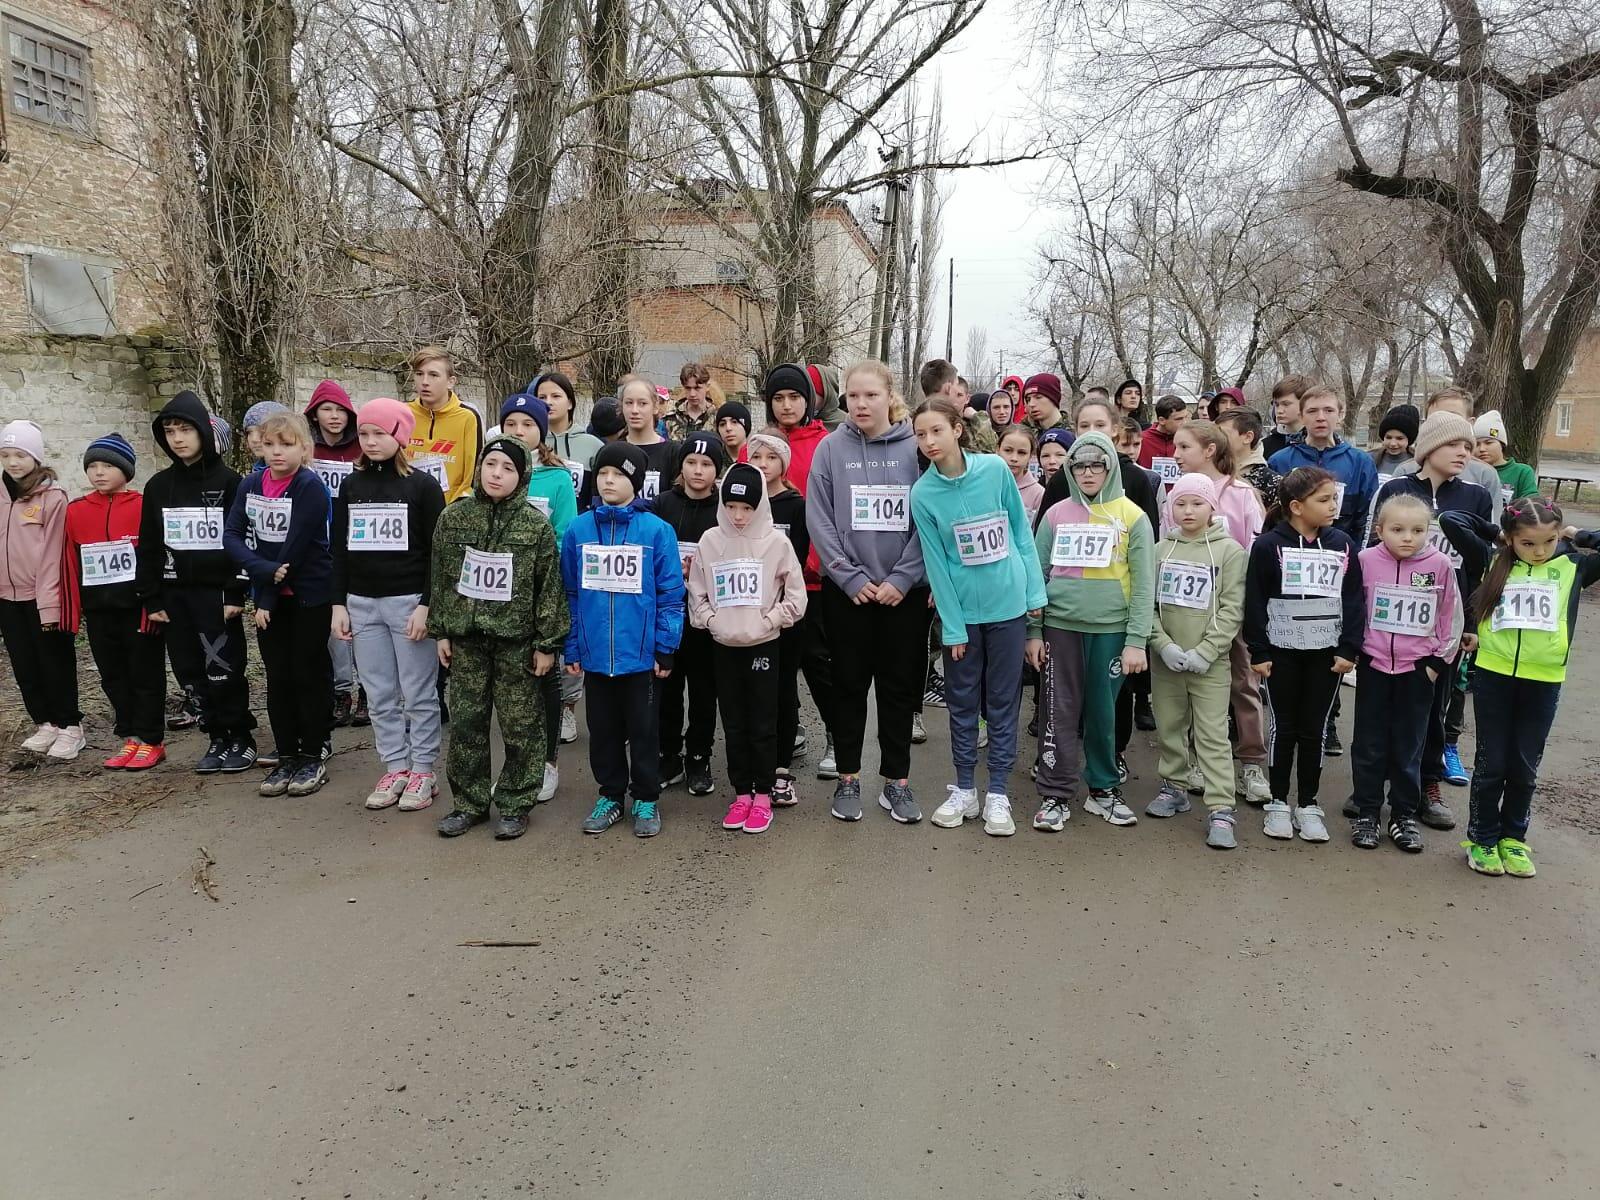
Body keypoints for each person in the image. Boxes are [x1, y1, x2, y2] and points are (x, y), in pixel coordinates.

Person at [1440, 497, 1600, 877]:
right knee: (1492, 762)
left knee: (1525, 766)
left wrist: (1579, 534)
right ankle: (1482, 838)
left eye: (1548, 541)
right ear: (1512, 539)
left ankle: (1513, 838)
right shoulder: (1491, 561)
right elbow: (1451, 517)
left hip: (1544, 679)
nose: (1539, 551)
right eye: (1528, 543)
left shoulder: (1573, 566)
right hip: (1495, 675)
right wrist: (1498, 533)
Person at [912, 398, 1046, 837]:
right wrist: (951, 625)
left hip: (1008, 609)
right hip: (963, 619)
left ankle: (999, 794)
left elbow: (1021, 536)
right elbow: (937, 565)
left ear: (957, 429)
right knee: (963, 704)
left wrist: (1033, 596)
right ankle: (965, 789)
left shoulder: (993, 471)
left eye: (937, 430)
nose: (929, 441)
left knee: (1004, 702)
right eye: (920, 433)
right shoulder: (924, 494)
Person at [806, 359, 929, 825]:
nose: (860, 404)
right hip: (848, 593)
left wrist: (902, 579)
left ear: (889, 395)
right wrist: (850, 578)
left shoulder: (914, 448)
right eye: (853, 396)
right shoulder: (830, 449)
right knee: (849, 688)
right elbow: (819, 518)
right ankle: (849, 778)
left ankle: (896, 782)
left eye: (870, 395)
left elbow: (928, 519)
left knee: (899, 689)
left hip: (904, 594)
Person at [429, 436, 569, 839]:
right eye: (491, 465)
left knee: (521, 726)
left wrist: (547, 644)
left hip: (517, 643)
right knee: (467, 724)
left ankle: (515, 802)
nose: (497, 474)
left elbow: (549, 589)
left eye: (507, 468)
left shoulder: (534, 526)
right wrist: (442, 631)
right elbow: (441, 578)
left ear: (522, 476)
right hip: (468, 641)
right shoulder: (454, 518)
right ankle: (468, 803)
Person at [1372, 410, 1492, 824]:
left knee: (1433, 710)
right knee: (1382, 712)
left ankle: (1428, 786)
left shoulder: (1475, 496)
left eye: (1469, 447)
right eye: (1455, 444)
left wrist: (1472, 623)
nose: (1465, 453)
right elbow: (1369, 551)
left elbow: (1479, 566)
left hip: (1444, 622)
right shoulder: (1397, 488)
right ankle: (1371, 791)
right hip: (1390, 621)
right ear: (1429, 447)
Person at [1029, 431, 1154, 830]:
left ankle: (1103, 789)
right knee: (1058, 711)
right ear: (1069, 468)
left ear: (1110, 467)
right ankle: (1055, 793)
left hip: (1111, 632)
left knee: (1104, 712)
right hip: (1059, 628)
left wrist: (1136, 640)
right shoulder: (1055, 515)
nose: (1087, 472)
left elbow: (1144, 584)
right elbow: (1037, 573)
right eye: (1079, 465)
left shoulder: (1133, 517)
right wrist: (1033, 631)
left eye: (1095, 464)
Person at [562, 441, 684, 838]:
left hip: (640, 656)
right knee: (604, 729)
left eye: (618, 474)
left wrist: (665, 647)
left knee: (645, 729)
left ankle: (646, 797)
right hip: (596, 655)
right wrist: (573, 645)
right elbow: (571, 594)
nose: (609, 481)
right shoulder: (579, 529)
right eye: (602, 474)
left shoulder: (656, 531)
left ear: (635, 481)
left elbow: (670, 594)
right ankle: (611, 794)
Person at [331, 397, 446, 813]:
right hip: (362, 604)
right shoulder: (351, 485)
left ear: (399, 434)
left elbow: (438, 552)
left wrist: (427, 605)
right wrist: (339, 603)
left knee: (417, 691)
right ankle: (395, 765)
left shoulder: (422, 486)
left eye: (379, 433)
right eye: (363, 433)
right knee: (378, 691)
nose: (371, 441)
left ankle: (423, 768)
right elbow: (339, 547)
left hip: (407, 602)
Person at [137, 392, 257, 772]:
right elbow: (151, 544)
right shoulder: (158, 486)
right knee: (190, 671)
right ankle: (216, 738)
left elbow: (244, 539)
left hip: (217, 596)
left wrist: (237, 590)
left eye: (185, 429)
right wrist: (151, 596)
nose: (177, 438)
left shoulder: (231, 482)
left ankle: (240, 736)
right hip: (175, 597)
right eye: (170, 431)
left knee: (223, 668)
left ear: (203, 431)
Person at [1244, 467, 1364, 842]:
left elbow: (1354, 598)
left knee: (1314, 729)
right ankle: (1278, 801)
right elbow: (1256, 598)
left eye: (1334, 498)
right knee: (1284, 727)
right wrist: (1259, 650)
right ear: (1296, 506)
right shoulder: (1267, 546)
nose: (1333, 506)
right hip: (1281, 653)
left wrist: (1349, 648)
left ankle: (1309, 803)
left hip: (1326, 655)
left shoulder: (1342, 544)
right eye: (1323, 500)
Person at [685, 463, 806, 834]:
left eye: (747, 508)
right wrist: (712, 622)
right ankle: (741, 793)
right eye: (732, 506)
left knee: (763, 722)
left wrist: (769, 621)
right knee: (733, 721)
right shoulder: (710, 541)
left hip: (764, 646)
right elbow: (697, 593)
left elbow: (796, 598)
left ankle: (765, 795)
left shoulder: (776, 542)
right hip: (723, 646)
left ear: (760, 507)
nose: (739, 516)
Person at [224, 413, 335, 797]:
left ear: (303, 448)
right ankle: (287, 753)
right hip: (268, 592)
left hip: (307, 594)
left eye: (285, 445)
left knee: (307, 672)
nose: (276, 452)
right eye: (269, 444)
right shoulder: (252, 484)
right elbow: (234, 535)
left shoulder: (310, 486)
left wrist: (266, 593)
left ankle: (313, 751)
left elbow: (296, 548)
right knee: (278, 676)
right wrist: (261, 572)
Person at [1164, 419, 1273, 805]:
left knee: (1243, 684)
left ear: (1209, 450)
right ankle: (1190, 762)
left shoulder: (1242, 494)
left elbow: (1257, 550)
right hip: (1186, 613)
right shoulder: (1174, 494)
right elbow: (1168, 546)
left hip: (1232, 610)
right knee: (1186, 687)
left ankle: (1251, 764)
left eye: (1183, 447)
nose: (1175, 455)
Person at [1349, 493, 1461, 852]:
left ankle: (1403, 814)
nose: (1407, 537)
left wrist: (1435, 664)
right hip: (1374, 665)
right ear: (1380, 530)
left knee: (1409, 744)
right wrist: (1356, 652)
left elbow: (1450, 616)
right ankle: (1367, 811)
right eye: (1397, 529)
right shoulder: (1365, 561)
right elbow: (1352, 608)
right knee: (1369, 742)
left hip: (1417, 670)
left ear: (1429, 531)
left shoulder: (1440, 564)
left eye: (1417, 530)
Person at [1145, 474, 1248, 848]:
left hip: (1210, 664)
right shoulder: (1159, 550)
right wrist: (1163, 645)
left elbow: (1232, 607)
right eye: (1180, 503)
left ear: (1211, 507)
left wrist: (1207, 650)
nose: (1188, 511)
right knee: (1169, 725)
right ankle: (1174, 786)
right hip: (1167, 661)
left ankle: (1221, 807)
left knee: (1212, 734)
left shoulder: (1230, 552)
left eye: (1197, 503)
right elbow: (1148, 603)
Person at [63, 434, 164, 769]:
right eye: (92, 466)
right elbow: (71, 562)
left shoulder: (142, 505)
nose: (99, 473)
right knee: (112, 674)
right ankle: (130, 737)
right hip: (99, 610)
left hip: (137, 608)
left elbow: (154, 555)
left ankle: (151, 738)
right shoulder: (76, 511)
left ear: (126, 470)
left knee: (144, 673)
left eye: (108, 465)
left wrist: (153, 601)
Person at [500, 393, 579, 799]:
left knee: (543, 677)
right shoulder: (493, 470)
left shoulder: (557, 478)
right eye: (511, 424)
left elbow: (566, 535)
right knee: (509, 686)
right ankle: (517, 763)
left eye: (527, 425)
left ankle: (547, 763)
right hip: (499, 599)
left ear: (541, 430)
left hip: (540, 594)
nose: (518, 432)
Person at [759, 363, 835, 777]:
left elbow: (830, 510)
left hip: (811, 577)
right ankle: (790, 731)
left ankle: (836, 735)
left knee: (818, 662)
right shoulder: (757, 446)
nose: (787, 405)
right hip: (763, 583)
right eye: (778, 398)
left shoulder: (826, 442)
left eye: (794, 397)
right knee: (777, 664)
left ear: (809, 400)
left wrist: (815, 564)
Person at [0, 420, 82, 760]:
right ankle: (45, 722)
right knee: (24, 664)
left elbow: (52, 556)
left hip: (42, 597)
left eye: (20, 454)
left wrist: (50, 605)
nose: (13, 462)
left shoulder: (52, 498)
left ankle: (70, 727)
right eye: (5, 455)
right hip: (7, 596)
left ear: (35, 456)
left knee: (54, 662)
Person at [655, 431, 727, 797]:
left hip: (707, 616)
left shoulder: (725, 509)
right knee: (667, 688)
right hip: (669, 615)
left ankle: (699, 755)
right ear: (681, 466)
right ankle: (668, 754)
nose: (698, 471)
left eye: (707, 464)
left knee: (704, 690)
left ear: (718, 470)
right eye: (691, 463)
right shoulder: (662, 504)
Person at [747, 429, 809, 807]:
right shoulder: (740, 503)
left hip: (783, 614)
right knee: (751, 692)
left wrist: (779, 608)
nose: (763, 465)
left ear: (783, 464)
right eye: (757, 457)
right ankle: (753, 766)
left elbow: (796, 564)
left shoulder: (795, 506)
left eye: (771, 458)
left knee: (783, 689)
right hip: (746, 615)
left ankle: (781, 769)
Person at [305, 379, 365, 727]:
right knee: (333, 625)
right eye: (327, 409)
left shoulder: (360, 447)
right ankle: (341, 691)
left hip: (356, 542)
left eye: (341, 410)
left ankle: (367, 694)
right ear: (314, 414)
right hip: (318, 545)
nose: (334, 417)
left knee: (359, 619)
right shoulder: (306, 449)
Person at [1395, 387, 1504, 523]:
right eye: (1434, 418)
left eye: (1452, 417)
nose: (1443, 423)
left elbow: (1492, 533)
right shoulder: (1404, 472)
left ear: (1470, 423)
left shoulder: (1485, 475)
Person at [406, 346, 484, 502]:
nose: (425, 382)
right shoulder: (403, 413)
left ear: (451, 382)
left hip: (451, 511)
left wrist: (454, 510)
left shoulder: (467, 417)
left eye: (433, 375)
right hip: (410, 509)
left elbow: (474, 475)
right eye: (419, 374)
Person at [618, 375, 676, 503]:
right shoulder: (613, 452)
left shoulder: (673, 453)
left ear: (655, 407)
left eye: (642, 403)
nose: (634, 410)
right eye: (629, 403)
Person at [1216, 407, 1281, 516]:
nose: (1216, 439)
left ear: (1248, 437)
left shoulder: (1270, 481)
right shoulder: (1210, 473)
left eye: (1223, 434)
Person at [1472, 410, 1539, 505]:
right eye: (1477, 444)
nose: (1482, 449)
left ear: (1502, 445)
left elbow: (1531, 503)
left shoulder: (1522, 472)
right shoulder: (1469, 472)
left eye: (1488, 442)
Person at [999, 425, 1044, 522]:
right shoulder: (986, 486)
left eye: (1022, 453)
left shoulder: (1038, 494)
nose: (1014, 458)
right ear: (997, 449)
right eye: (1008, 450)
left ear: (1031, 455)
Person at [1137, 395, 1189, 473]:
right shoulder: (1140, 440)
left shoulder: (1190, 440)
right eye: (1179, 419)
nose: (1185, 423)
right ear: (1162, 420)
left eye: (1186, 417)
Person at [1261, 374, 1308, 460]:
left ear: (1304, 404)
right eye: (1277, 404)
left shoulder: (1317, 442)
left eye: (1286, 404)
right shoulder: (1264, 446)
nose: (1279, 410)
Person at [666, 362, 716, 440]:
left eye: (697, 388)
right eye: (688, 388)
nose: (692, 394)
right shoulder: (670, 418)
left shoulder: (718, 418)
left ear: (707, 387)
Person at [1370, 404, 1419, 479]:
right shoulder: (1369, 459)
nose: (1393, 443)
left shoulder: (1418, 464)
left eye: (1399, 438)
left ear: (1409, 439)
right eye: (1388, 437)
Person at [242, 401, 290, 475]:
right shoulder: (255, 474)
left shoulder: (302, 476)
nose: (254, 439)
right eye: (249, 432)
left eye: (262, 431)